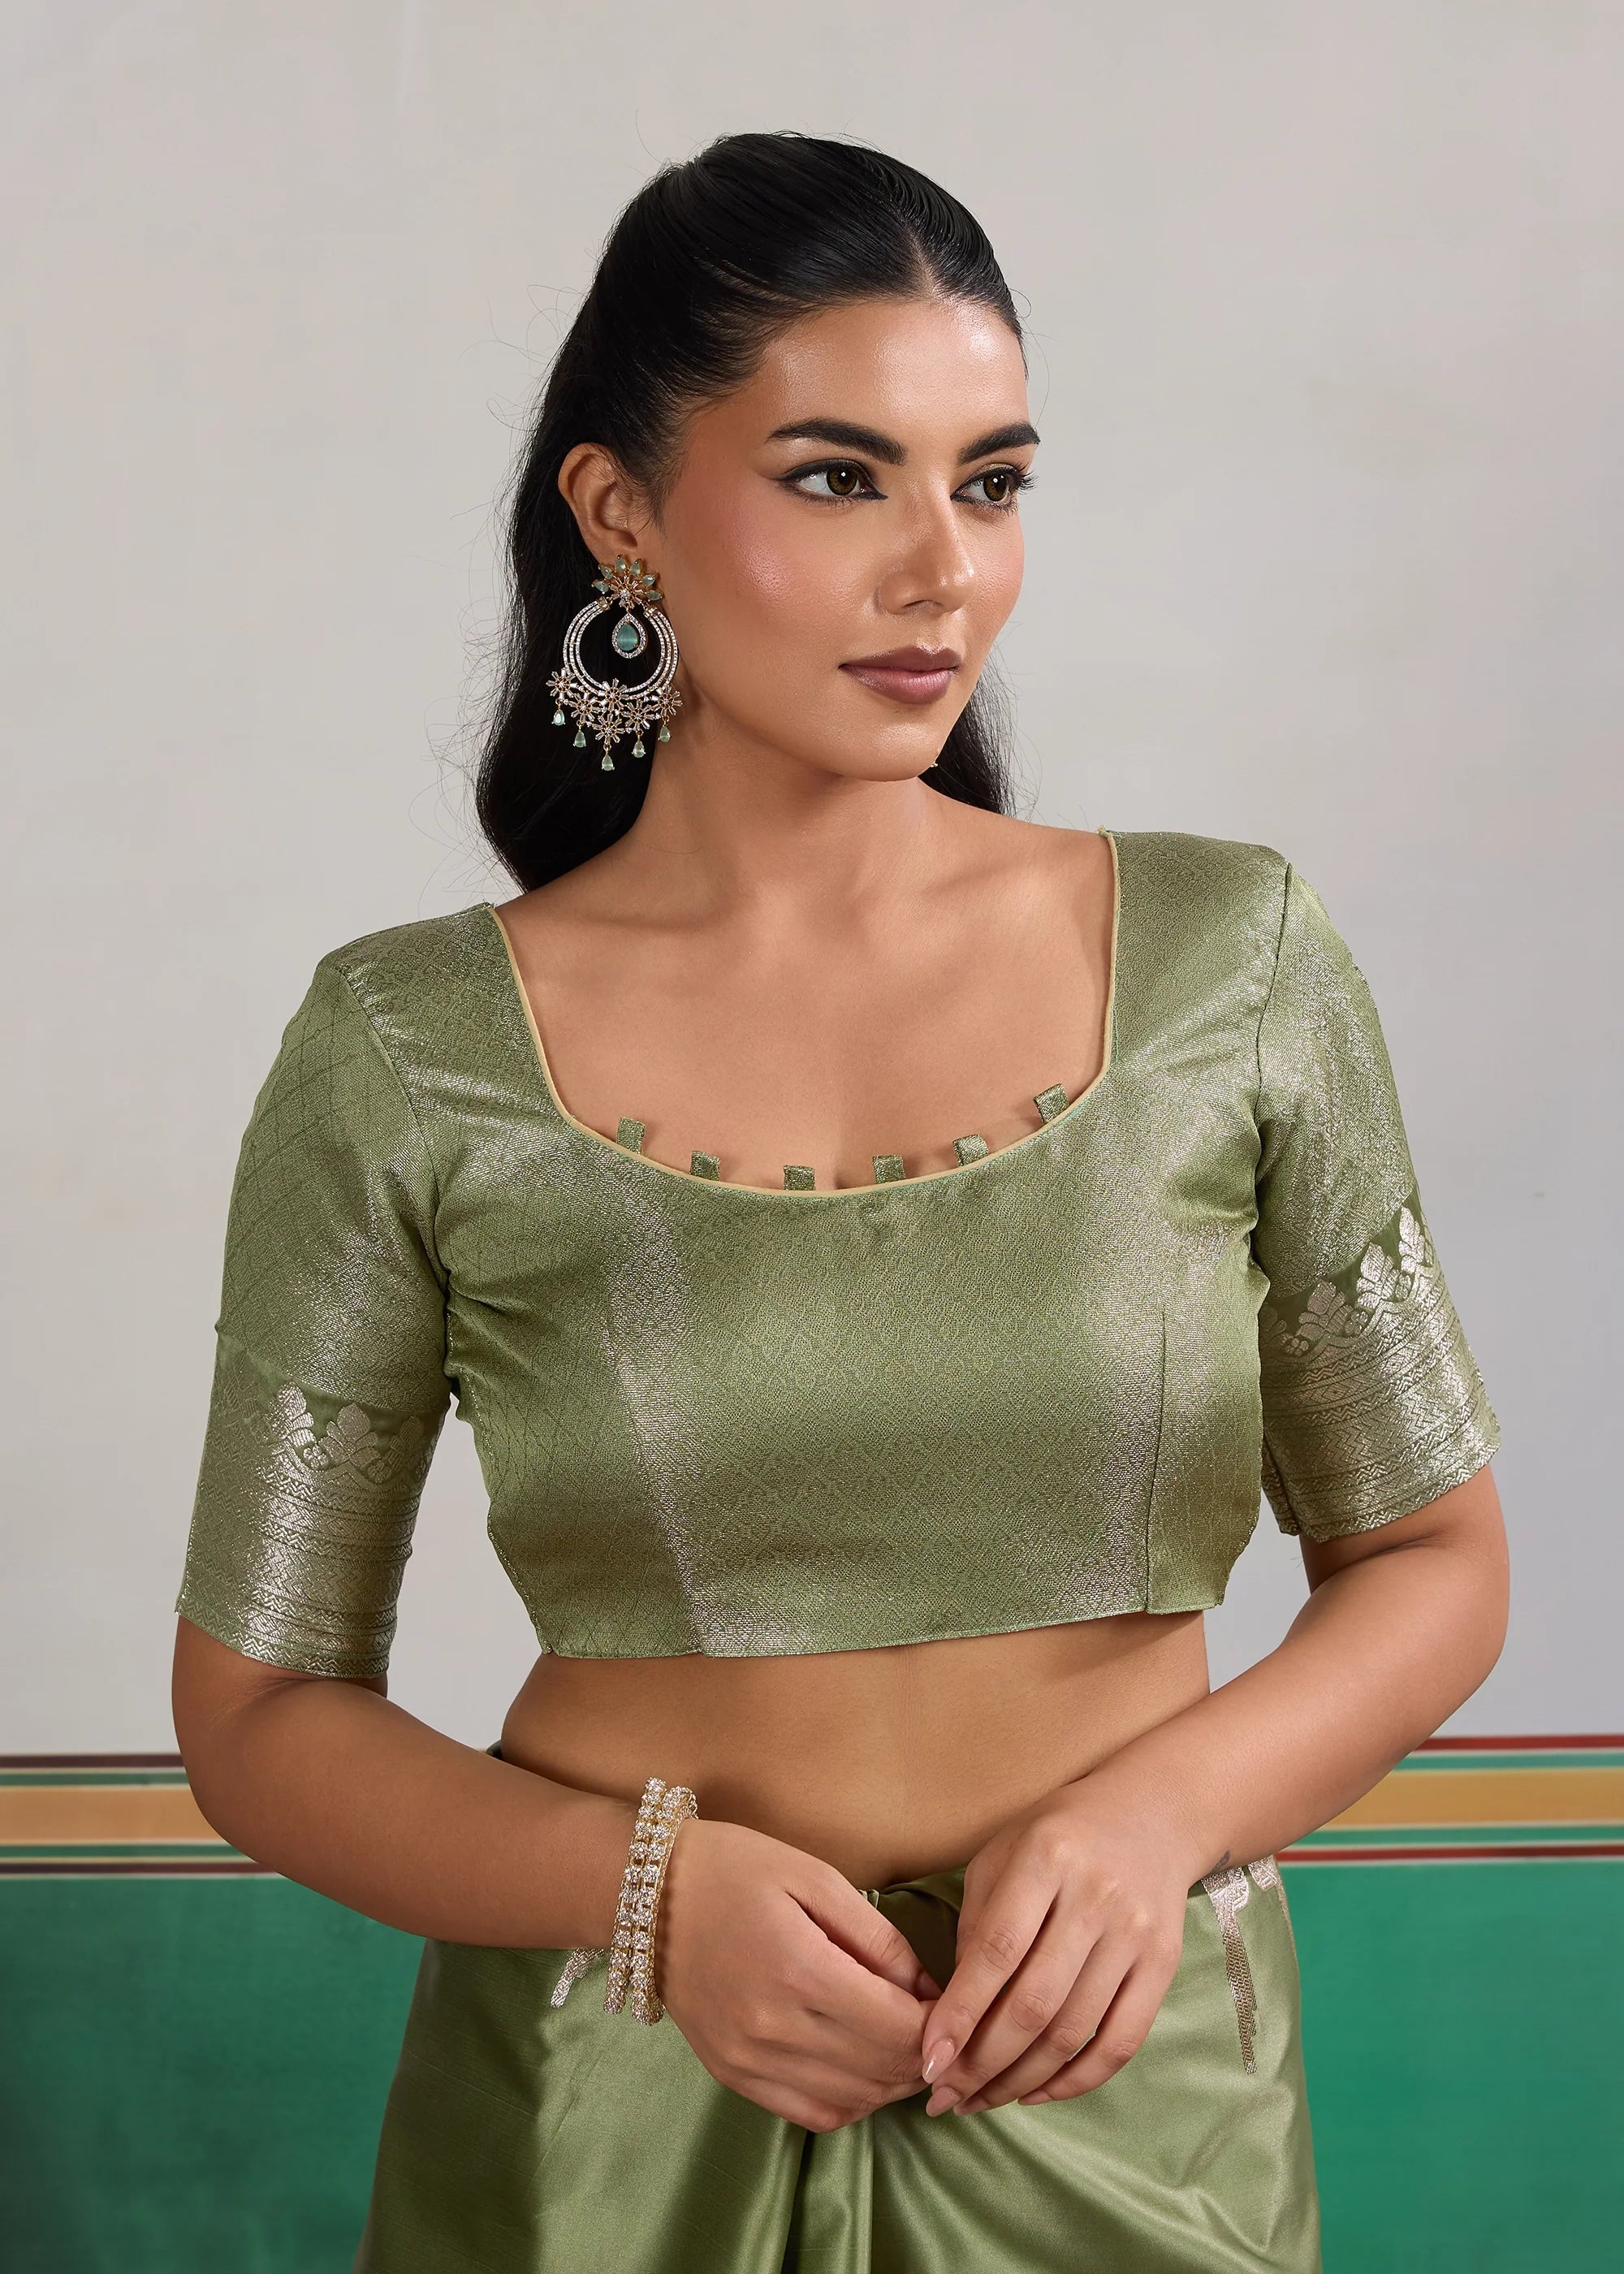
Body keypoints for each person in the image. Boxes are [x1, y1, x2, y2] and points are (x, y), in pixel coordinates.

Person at [171, 131, 1508, 2273]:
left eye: (993, 482)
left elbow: (1436, 1559)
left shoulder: (1232, 965)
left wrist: (1157, 1818)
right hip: (606, 2118)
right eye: (836, 478)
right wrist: (647, 1897)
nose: (942, 569)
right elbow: (256, 1716)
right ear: (620, 511)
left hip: (1123, 2094)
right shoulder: (411, 1052)